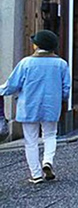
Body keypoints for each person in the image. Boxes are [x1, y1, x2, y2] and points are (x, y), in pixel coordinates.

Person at [0, 30, 71, 184]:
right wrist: (61, 99)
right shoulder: (61, 64)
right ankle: (48, 161)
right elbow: (66, 89)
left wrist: (1, 91)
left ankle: (36, 174)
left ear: (37, 46)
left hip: (28, 106)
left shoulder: (26, 63)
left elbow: (12, 85)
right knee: (50, 135)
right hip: (51, 105)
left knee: (31, 140)